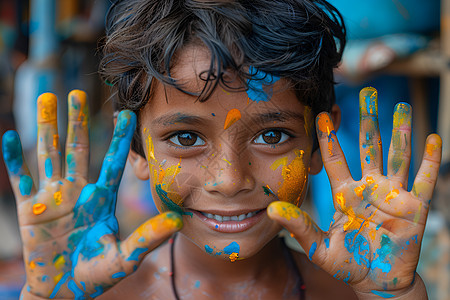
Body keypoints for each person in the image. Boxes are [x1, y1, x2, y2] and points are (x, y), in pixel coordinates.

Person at [1, 0, 442, 299]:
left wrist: (396, 295)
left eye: (272, 136)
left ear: (317, 146)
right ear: (134, 147)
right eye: (186, 138)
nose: (230, 180)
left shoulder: (353, 292)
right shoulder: (103, 293)